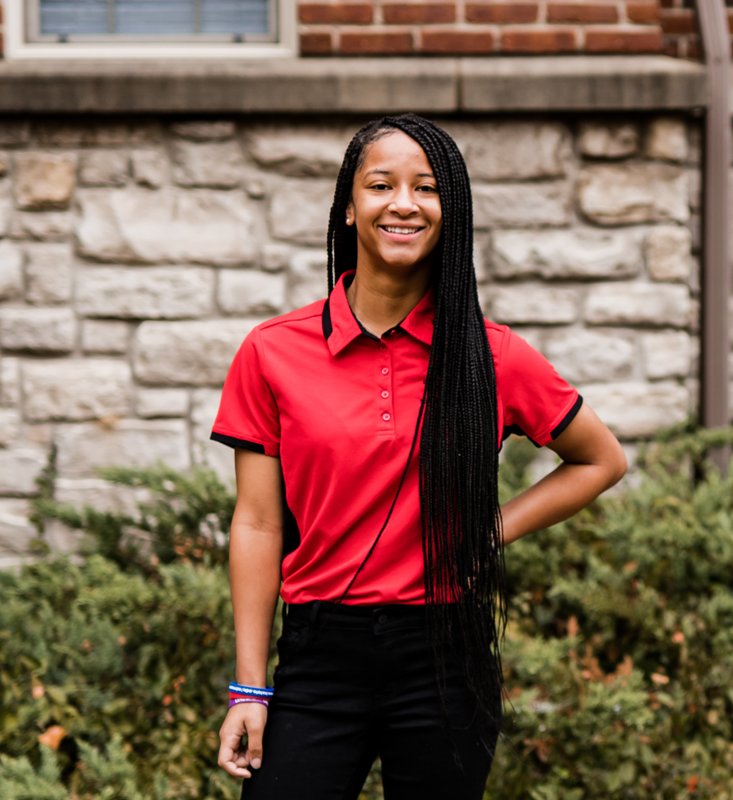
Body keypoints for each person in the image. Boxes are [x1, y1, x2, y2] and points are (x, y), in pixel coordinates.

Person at [211, 114, 627, 799]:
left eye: (426, 188)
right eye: (381, 185)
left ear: (449, 210)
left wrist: (487, 532)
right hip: (319, 655)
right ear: (349, 207)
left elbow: (600, 460)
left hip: (445, 655)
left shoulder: (492, 355)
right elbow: (257, 523)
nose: (403, 203)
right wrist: (249, 689)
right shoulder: (272, 351)